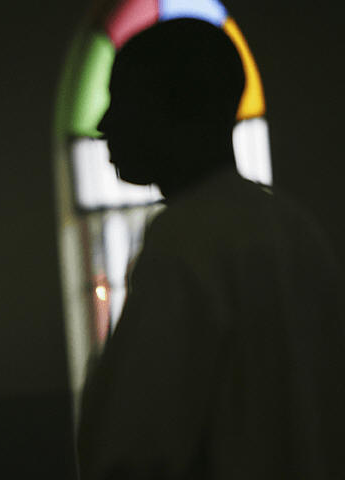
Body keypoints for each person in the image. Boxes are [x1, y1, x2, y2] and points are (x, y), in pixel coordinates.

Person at [78, 19, 345, 480]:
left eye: (121, 99)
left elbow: (137, 452)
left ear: (177, 108)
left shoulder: (186, 238)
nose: (104, 123)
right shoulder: (296, 228)